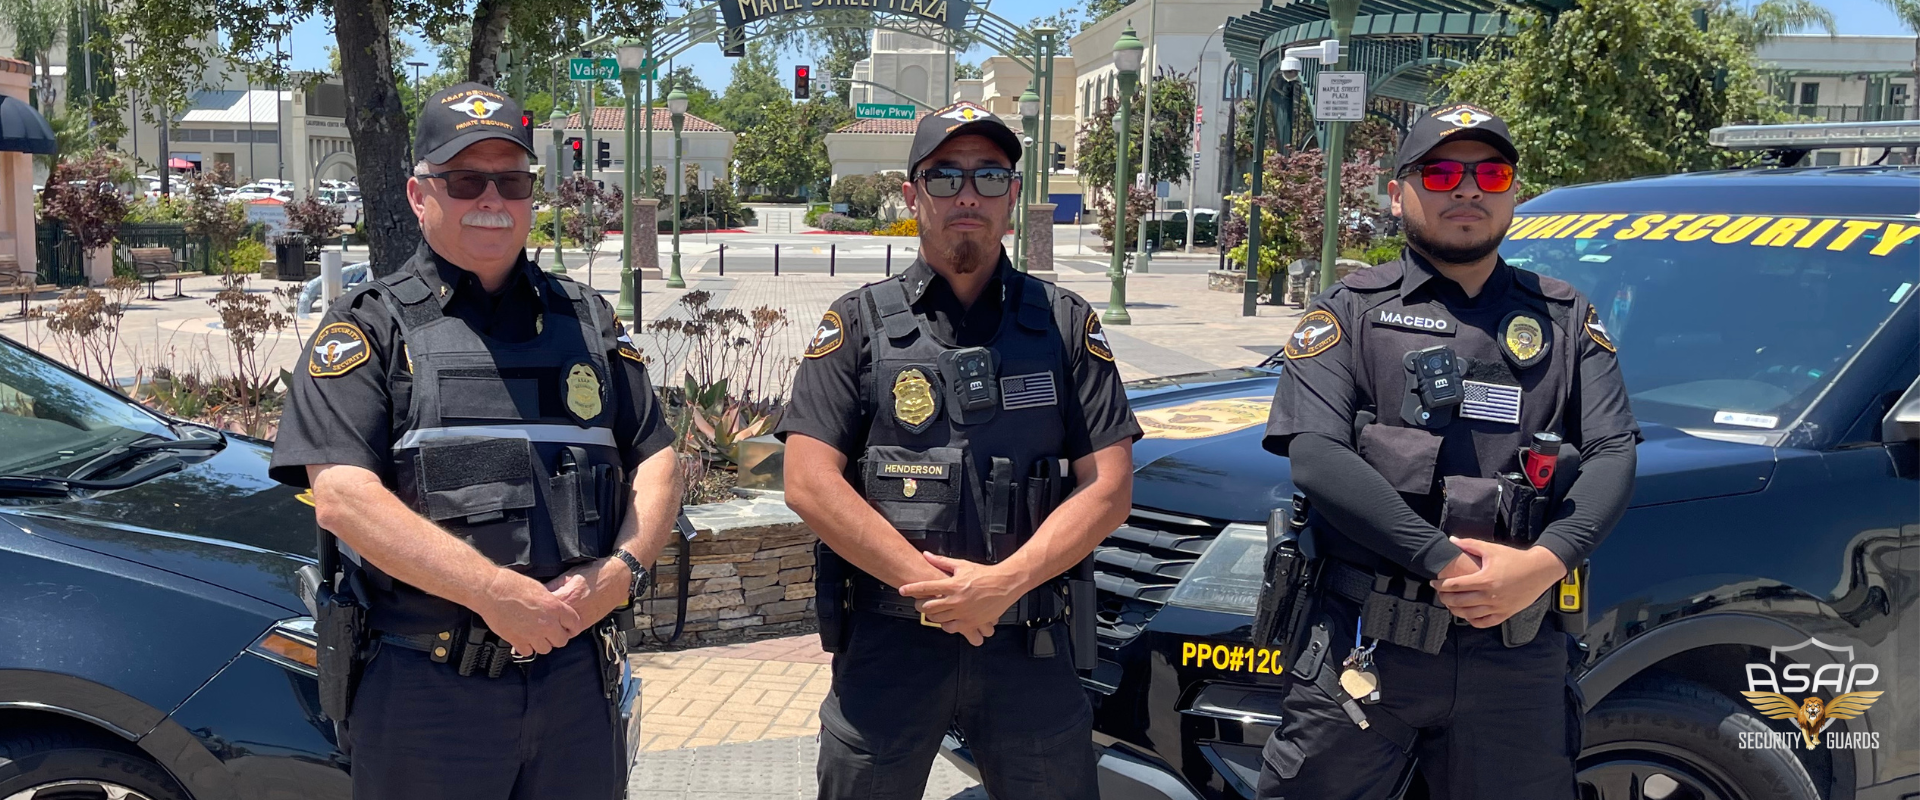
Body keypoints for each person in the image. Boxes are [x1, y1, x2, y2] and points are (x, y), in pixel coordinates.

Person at [268, 82, 683, 800]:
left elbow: (657, 458)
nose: (492, 198)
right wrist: (493, 593)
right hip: (428, 697)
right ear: (419, 193)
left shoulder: (587, 321)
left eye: (513, 180)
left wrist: (616, 577)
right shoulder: (369, 327)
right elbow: (341, 496)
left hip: (575, 686)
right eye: (466, 179)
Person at [1256, 104, 1639, 800]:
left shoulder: (1566, 319)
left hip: (1516, 657)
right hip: (1366, 646)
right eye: (1441, 172)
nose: (1469, 190)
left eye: (1491, 173)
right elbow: (1316, 456)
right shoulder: (1348, 312)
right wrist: (1447, 564)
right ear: (1398, 190)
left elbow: (1613, 452)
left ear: (1513, 193)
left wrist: (1542, 564)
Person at [778, 100, 1141, 800]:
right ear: (912, 194)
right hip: (892, 647)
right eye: (944, 177)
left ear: (1013, 194)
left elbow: (1110, 486)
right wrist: (943, 594)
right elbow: (807, 481)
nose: (967, 195)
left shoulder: (1064, 324)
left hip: (1029, 647)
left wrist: (1000, 586)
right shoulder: (856, 323)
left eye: (989, 176)